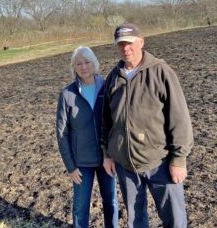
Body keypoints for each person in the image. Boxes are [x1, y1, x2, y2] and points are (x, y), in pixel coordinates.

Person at [101, 23, 194, 228]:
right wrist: (108, 154)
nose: (126, 48)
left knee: (175, 220)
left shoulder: (161, 72)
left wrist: (178, 159)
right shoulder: (113, 78)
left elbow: (179, 117)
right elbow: (106, 120)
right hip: (126, 165)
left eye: (130, 43)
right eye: (121, 44)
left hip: (159, 161)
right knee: (136, 220)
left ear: (141, 42)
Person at [56, 46, 118, 228]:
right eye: (78, 64)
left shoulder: (107, 88)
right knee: (80, 207)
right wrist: (70, 166)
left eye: (87, 62)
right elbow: (62, 133)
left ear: (95, 64)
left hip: (107, 158)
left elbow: (115, 123)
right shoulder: (67, 94)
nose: (84, 67)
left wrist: (113, 154)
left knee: (111, 202)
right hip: (81, 164)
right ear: (73, 67)